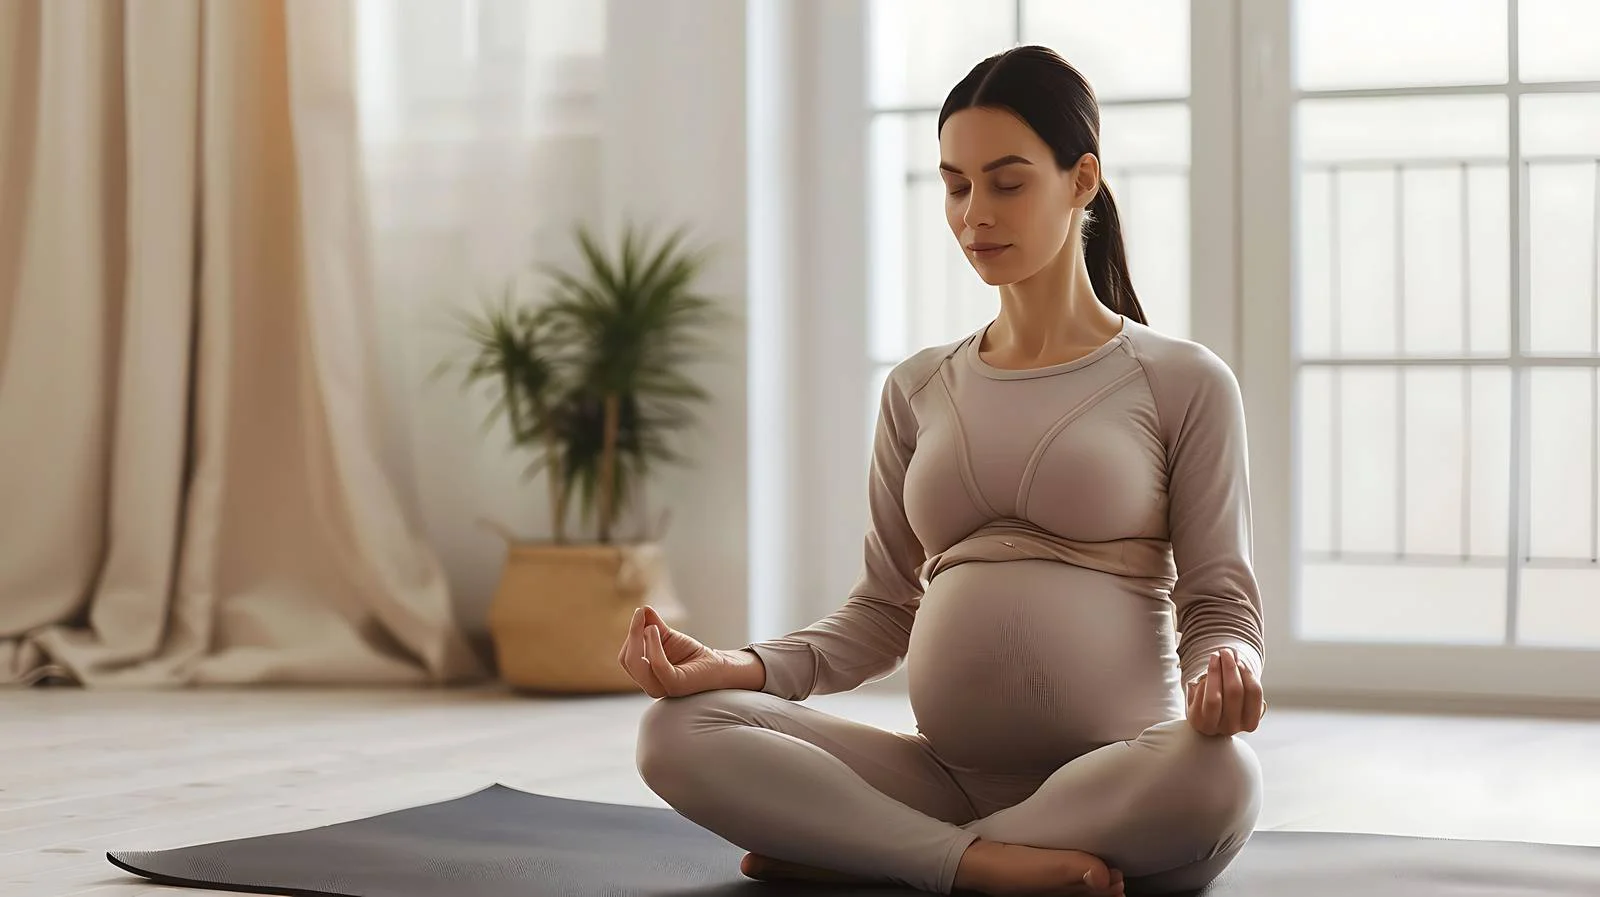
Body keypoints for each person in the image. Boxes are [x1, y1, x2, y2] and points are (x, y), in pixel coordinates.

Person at [619, 45, 1267, 897]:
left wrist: (1228, 669)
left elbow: (1220, 602)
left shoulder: (1181, 380)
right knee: (676, 731)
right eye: (955, 184)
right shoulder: (918, 386)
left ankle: (875, 852)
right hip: (940, 774)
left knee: (1222, 777)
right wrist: (734, 666)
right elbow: (883, 612)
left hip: (1117, 778)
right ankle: (979, 863)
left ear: (1081, 181)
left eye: (1007, 182)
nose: (974, 215)